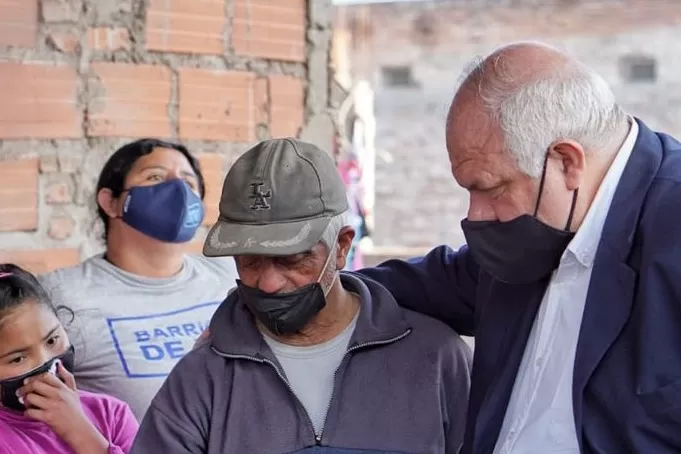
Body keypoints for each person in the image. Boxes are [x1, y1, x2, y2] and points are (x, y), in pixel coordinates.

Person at [358, 41, 681, 454]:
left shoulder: (669, 231)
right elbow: (431, 282)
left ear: (566, 162)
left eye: (490, 188)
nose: (475, 216)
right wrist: (315, 282)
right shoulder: (526, 240)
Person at [131, 138, 472, 453]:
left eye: (291, 259)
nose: (267, 284)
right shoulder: (202, 378)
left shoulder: (437, 360)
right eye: (249, 260)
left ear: (341, 247)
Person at [38, 139, 238, 420]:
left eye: (189, 182)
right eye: (155, 177)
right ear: (111, 202)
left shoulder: (231, 273)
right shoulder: (61, 294)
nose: (178, 190)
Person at [0, 264, 138, 454]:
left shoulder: (112, 414)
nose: (45, 364)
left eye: (52, 340)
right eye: (18, 359)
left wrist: (80, 432)